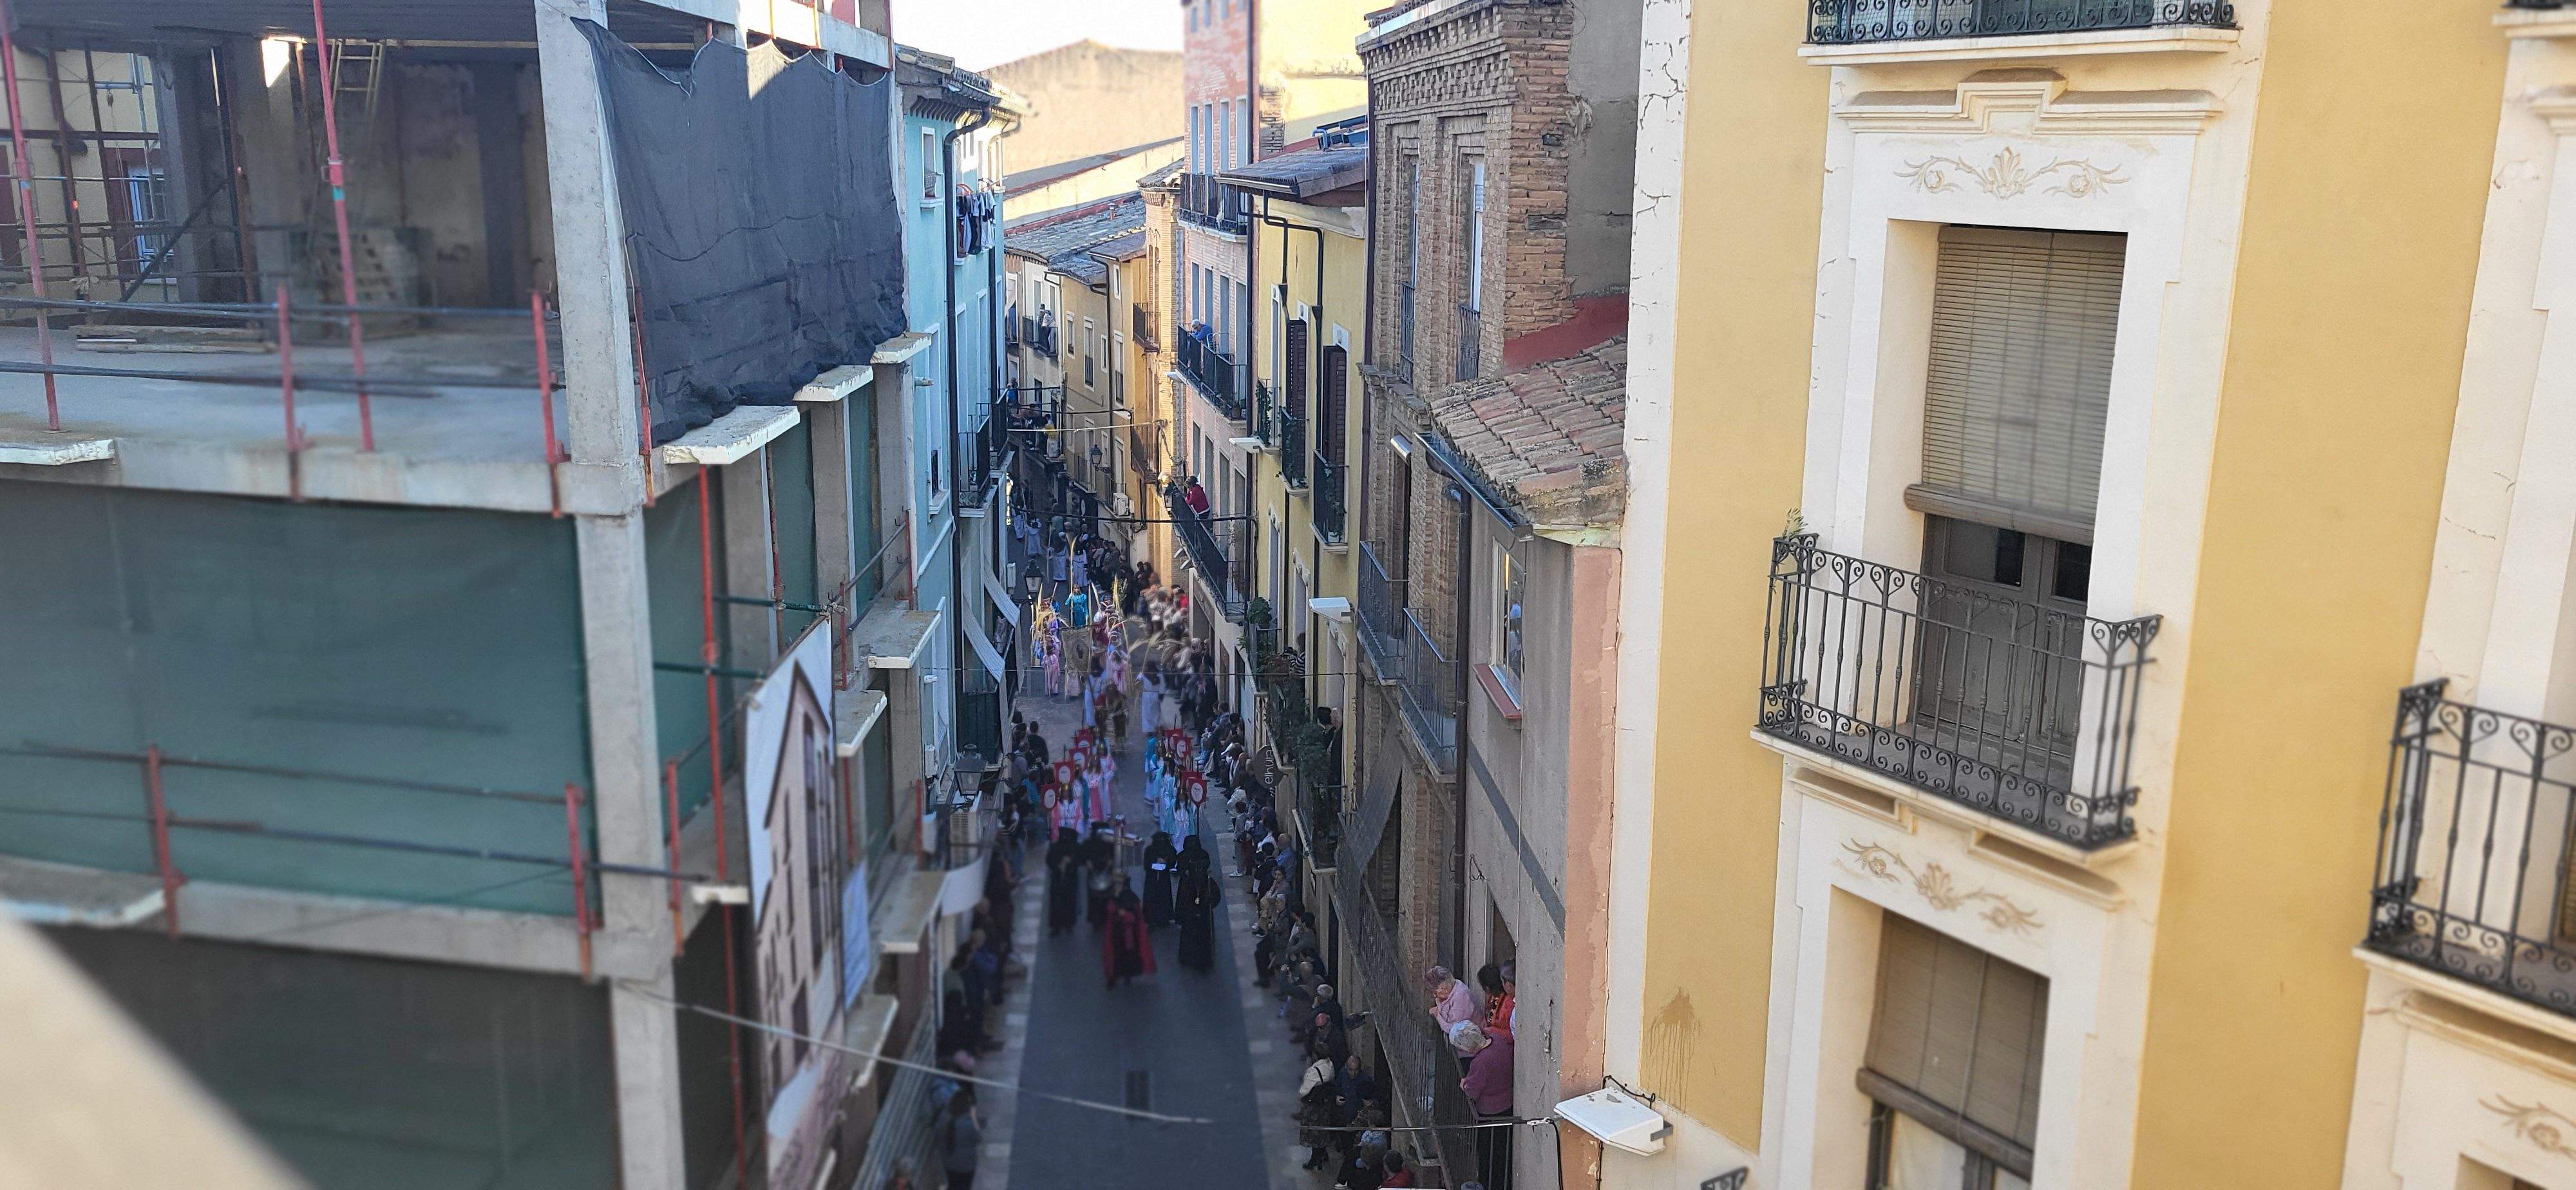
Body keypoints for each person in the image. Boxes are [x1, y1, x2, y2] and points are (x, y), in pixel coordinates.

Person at [1457, 1023, 1515, 1190]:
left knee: (1489, 1155)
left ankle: (1490, 1185)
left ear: (1467, 1048)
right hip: (1508, 1103)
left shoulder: (1480, 1062)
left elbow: (1472, 1093)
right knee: (1504, 1151)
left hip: (1490, 1113)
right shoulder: (1498, 1041)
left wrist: (1465, 1085)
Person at [1295, 1037, 1346, 1171]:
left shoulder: (1313, 1071)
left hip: (1314, 1106)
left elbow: (1304, 1090)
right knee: (1322, 1129)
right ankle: (1323, 1153)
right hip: (1325, 1104)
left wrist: (1299, 1096)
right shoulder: (1330, 1065)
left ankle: (1315, 1158)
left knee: (1313, 1132)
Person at [1101, 881, 1156, 988]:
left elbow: (1135, 914)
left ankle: (1123, 975)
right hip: (1119, 933)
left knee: (1124, 954)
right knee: (1117, 953)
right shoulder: (1119, 897)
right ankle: (1117, 976)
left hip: (1127, 933)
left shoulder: (1128, 897)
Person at [1175, 864, 1220, 972]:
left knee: (1201, 937)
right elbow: (1183, 900)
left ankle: (1202, 959)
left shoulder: (1209, 883)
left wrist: (1210, 902)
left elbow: (1216, 897)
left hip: (1203, 914)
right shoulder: (1188, 883)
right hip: (1192, 915)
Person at [940, 1087, 981, 1190]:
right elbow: (978, 1139)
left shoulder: (945, 1120)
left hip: (950, 1163)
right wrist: (974, 1117)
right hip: (966, 1165)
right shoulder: (968, 1124)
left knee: (953, 1185)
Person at [1045, 827, 1079, 936]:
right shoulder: (1071, 847)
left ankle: (1059, 926)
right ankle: (1065, 924)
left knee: (1061, 902)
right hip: (1063, 879)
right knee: (1065, 902)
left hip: (1063, 879)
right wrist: (1059, 866)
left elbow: (1049, 860)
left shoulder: (1056, 847)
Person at [1141, 831, 1179, 927]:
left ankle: (1158, 918)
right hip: (1156, 878)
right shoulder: (1167, 849)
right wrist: (1161, 866)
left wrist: (1159, 866)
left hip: (1159, 878)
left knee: (1160, 897)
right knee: (1159, 897)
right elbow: (1147, 865)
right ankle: (1155, 918)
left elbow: (1171, 863)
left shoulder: (1151, 850)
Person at [1479, 963, 1514, 1044]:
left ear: (1487, 988)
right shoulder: (1493, 997)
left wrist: (1493, 1031)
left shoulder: (1508, 1003)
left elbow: (1511, 1034)